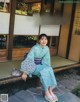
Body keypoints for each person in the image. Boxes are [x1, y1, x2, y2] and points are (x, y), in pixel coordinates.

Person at [20, 34, 58, 102]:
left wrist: (48, 68)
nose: (44, 41)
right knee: (44, 72)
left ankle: (50, 90)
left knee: (49, 69)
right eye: (42, 39)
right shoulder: (34, 48)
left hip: (40, 65)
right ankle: (46, 92)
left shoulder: (46, 48)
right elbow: (29, 59)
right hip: (33, 66)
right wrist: (25, 72)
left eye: (45, 39)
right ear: (39, 40)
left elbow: (47, 60)